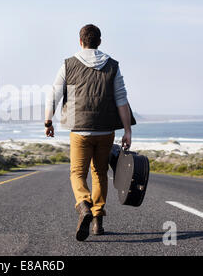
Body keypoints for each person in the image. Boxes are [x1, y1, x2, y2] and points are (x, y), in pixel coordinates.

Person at [44, 24, 135, 241]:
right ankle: (97, 221)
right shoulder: (112, 65)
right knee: (99, 173)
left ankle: (84, 205)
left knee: (77, 173)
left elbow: (54, 94)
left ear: (80, 41)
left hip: (79, 129)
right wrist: (128, 131)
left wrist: (48, 120)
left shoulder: (68, 64)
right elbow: (121, 100)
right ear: (99, 42)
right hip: (105, 130)